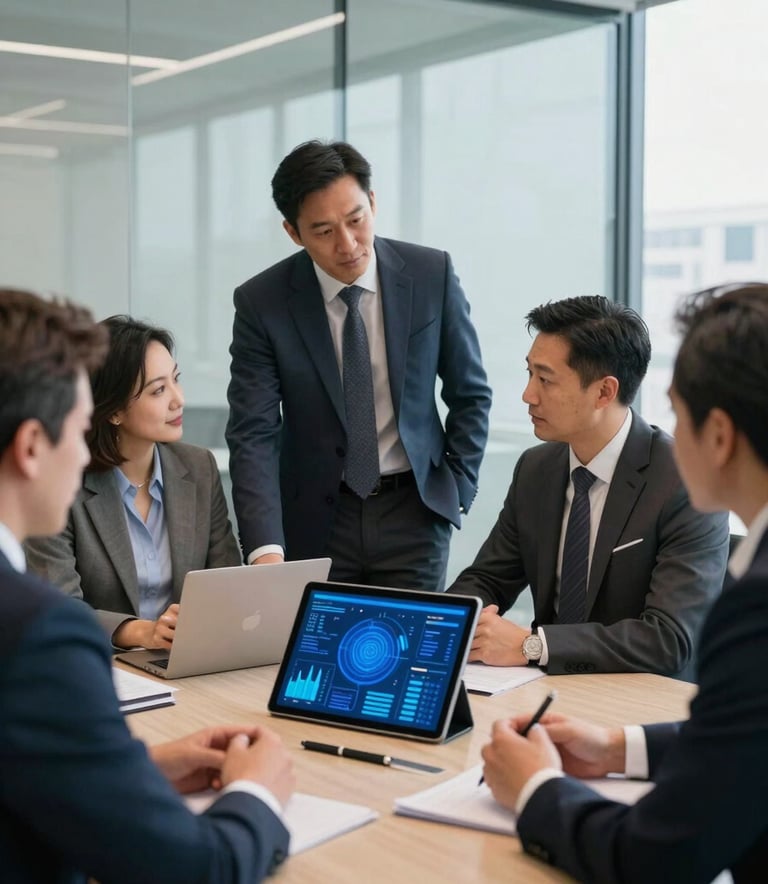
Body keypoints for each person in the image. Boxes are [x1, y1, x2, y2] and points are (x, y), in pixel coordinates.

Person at [0, 288, 293, 882]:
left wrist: (141, 766)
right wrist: (258, 794)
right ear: (34, 446)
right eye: (77, 429)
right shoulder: (39, 633)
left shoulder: (194, 467)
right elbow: (194, 868)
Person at [480, 282, 768, 884]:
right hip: (584, 716)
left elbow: (658, 854)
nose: (528, 395)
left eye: (677, 411)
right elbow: (747, 734)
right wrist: (619, 749)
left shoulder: (754, 606)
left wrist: (534, 787)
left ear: (717, 435)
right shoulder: (537, 469)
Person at [226, 140, 491, 591]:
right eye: (324, 231)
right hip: (316, 520)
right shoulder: (262, 303)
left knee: (412, 654)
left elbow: (470, 393)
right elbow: (254, 433)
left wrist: (456, 489)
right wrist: (266, 548)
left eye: (356, 220)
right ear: (293, 232)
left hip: (415, 514)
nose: (347, 245)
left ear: (372, 202)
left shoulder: (430, 274)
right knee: (315, 656)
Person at [448, 295, 729, 679]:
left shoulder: (684, 481)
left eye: (545, 379)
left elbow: (668, 639)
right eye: (529, 374)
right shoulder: (536, 468)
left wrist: (533, 645)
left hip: (640, 704)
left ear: (604, 392)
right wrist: (451, 625)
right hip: (545, 688)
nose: (528, 395)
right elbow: (488, 579)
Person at [25, 315, 241, 649]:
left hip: (189, 661)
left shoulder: (198, 467)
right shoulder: (61, 486)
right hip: (100, 664)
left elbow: (226, 579)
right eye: (158, 390)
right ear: (113, 411)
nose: (178, 399)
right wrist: (142, 632)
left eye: (176, 380)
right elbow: (59, 607)